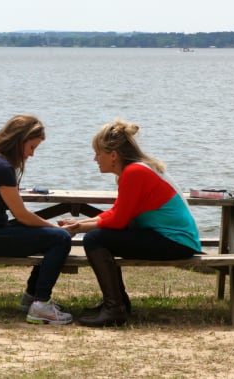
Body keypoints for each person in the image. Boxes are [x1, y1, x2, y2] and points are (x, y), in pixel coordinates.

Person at [60, 119, 202, 327]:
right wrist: (80, 222)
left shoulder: (134, 172)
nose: (95, 159)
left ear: (114, 155)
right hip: (174, 239)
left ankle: (114, 308)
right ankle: (118, 304)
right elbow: (118, 213)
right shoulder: (135, 170)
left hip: (176, 241)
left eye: (99, 153)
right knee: (99, 237)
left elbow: (118, 221)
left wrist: (80, 227)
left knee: (95, 239)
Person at [0, 114, 73, 325]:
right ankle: (40, 305)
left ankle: (32, 298)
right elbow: (21, 215)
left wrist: (50, 229)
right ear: (18, 141)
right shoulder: (1, 167)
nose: (32, 154)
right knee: (59, 239)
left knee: (51, 237)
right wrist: (57, 228)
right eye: (32, 147)